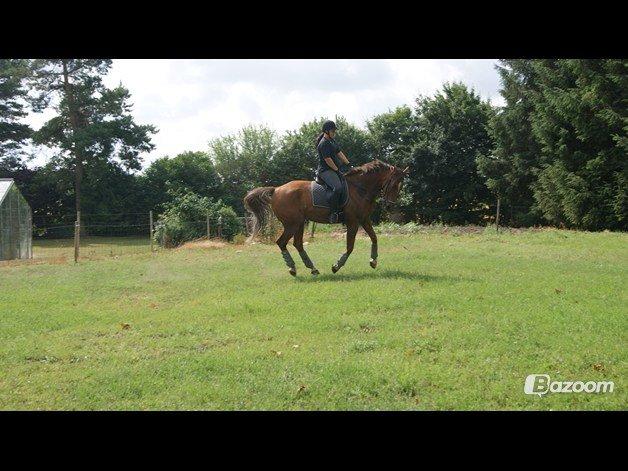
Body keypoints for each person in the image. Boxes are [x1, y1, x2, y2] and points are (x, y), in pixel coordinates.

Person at [316, 120, 352, 223]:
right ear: (326, 131)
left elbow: (339, 153)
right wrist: (337, 170)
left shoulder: (332, 141)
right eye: (333, 131)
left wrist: (348, 164)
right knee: (338, 188)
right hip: (325, 171)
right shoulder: (323, 144)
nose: (334, 133)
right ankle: (333, 213)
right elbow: (328, 160)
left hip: (335, 169)